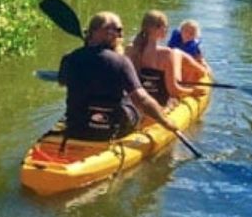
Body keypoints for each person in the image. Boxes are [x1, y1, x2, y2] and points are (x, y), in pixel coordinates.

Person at [57, 11, 179, 141]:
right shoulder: (121, 62)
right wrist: (165, 121)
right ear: (109, 33)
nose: (121, 35)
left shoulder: (69, 58)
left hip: (76, 128)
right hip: (112, 129)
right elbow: (142, 100)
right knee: (133, 102)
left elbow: (62, 82)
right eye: (119, 30)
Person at [126, 10, 208, 108]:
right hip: (159, 105)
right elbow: (173, 90)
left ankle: (200, 69)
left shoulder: (129, 49)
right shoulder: (167, 54)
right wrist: (194, 91)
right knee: (177, 53)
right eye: (166, 27)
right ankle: (201, 69)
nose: (167, 30)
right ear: (159, 29)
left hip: (136, 103)